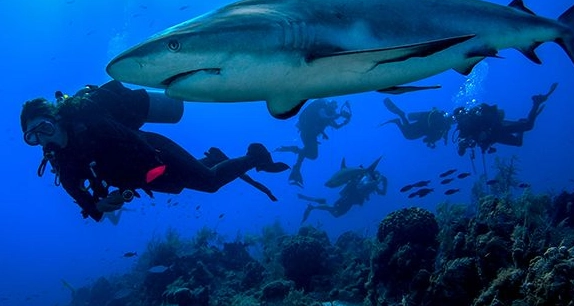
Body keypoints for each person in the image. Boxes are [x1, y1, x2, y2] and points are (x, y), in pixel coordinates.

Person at [21, 81, 289, 222]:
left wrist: (131, 181)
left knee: (209, 183)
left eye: (44, 127)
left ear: (56, 119)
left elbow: (132, 143)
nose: (43, 138)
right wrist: (96, 206)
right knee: (184, 183)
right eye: (33, 136)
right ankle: (211, 159)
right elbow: (77, 192)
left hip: (156, 152)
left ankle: (256, 155)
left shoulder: (90, 122)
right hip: (145, 177)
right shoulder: (61, 159)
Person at [453, 83, 558, 157]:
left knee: (529, 126)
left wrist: (487, 131)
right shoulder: (462, 130)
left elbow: (492, 117)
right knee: (518, 143)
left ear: (465, 113)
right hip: (495, 138)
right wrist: (462, 146)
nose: (462, 120)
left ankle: (536, 102)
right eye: (459, 118)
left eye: (462, 116)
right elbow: (461, 153)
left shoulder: (476, 117)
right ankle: (521, 123)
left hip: (499, 127)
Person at [276, 98, 352, 187]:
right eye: (334, 106)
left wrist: (344, 123)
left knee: (313, 155)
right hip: (307, 133)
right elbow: (323, 116)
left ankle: (295, 159)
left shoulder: (330, 114)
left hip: (312, 135)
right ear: (329, 104)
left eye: (335, 107)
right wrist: (339, 115)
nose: (334, 108)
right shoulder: (322, 107)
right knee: (311, 154)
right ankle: (295, 160)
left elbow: (336, 126)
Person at [300, 158, 387, 222]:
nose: (376, 177)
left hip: (350, 201)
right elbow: (366, 185)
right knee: (334, 211)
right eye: (375, 176)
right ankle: (314, 206)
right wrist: (379, 180)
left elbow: (382, 193)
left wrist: (385, 183)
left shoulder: (372, 186)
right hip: (348, 199)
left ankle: (318, 204)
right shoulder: (367, 182)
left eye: (376, 176)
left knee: (335, 214)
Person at [381, 97, 453, 148]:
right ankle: (399, 119)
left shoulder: (442, 123)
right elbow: (426, 139)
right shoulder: (444, 128)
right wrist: (431, 142)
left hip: (422, 122)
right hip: (422, 129)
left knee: (408, 129)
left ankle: (400, 117)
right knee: (408, 135)